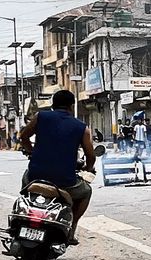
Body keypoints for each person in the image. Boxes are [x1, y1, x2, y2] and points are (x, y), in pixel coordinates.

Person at [18, 89, 96, 245]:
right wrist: (88, 169)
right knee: (86, 191)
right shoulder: (81, 127)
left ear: (52, 104)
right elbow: (91, 156)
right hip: (65, 181)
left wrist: (31, 152)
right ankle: (71, 228)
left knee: (25, 190)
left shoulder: (40, 117)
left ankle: (21, 216)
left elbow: (24, 137)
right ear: (71, 106)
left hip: (36, 175)